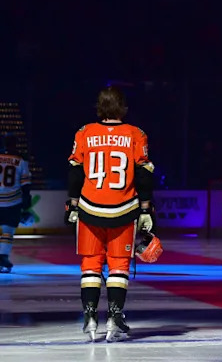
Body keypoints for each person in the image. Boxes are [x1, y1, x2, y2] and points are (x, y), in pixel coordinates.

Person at [65, 87, 156, 341]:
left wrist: (72, 205)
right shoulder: (135, 134)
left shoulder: (84, 132)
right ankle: (114, 318)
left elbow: (74, 173)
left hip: (89, 208)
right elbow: (144, 175)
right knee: (118, 266)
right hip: (124, 209)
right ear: (123, 107)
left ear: (99, 107)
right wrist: (147, 208)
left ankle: (90, 317)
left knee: (90, 265)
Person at [0, 134, 32, 273]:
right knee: (8, 231)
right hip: (12, 201)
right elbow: (25, 185)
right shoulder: (21, 160)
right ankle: (3, 257)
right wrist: (26, 204)